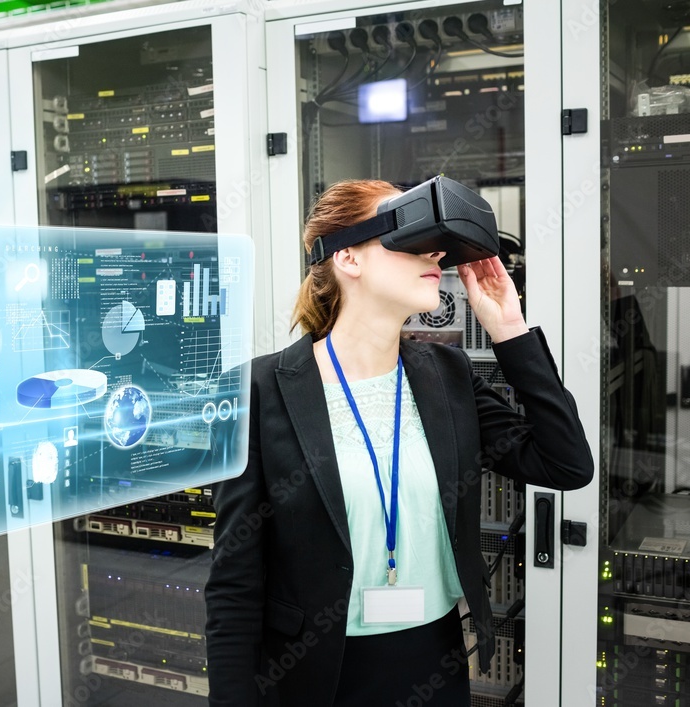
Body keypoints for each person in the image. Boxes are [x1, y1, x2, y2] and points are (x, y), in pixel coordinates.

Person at [204, 179, 594, 707]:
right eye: (411, 237)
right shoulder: (260, 391)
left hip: (433, 661)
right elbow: (234, 586)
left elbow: (565, 463)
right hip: (312, 673)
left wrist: (509, 330)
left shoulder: (447, 377)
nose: (436, 252)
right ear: (348, 257)